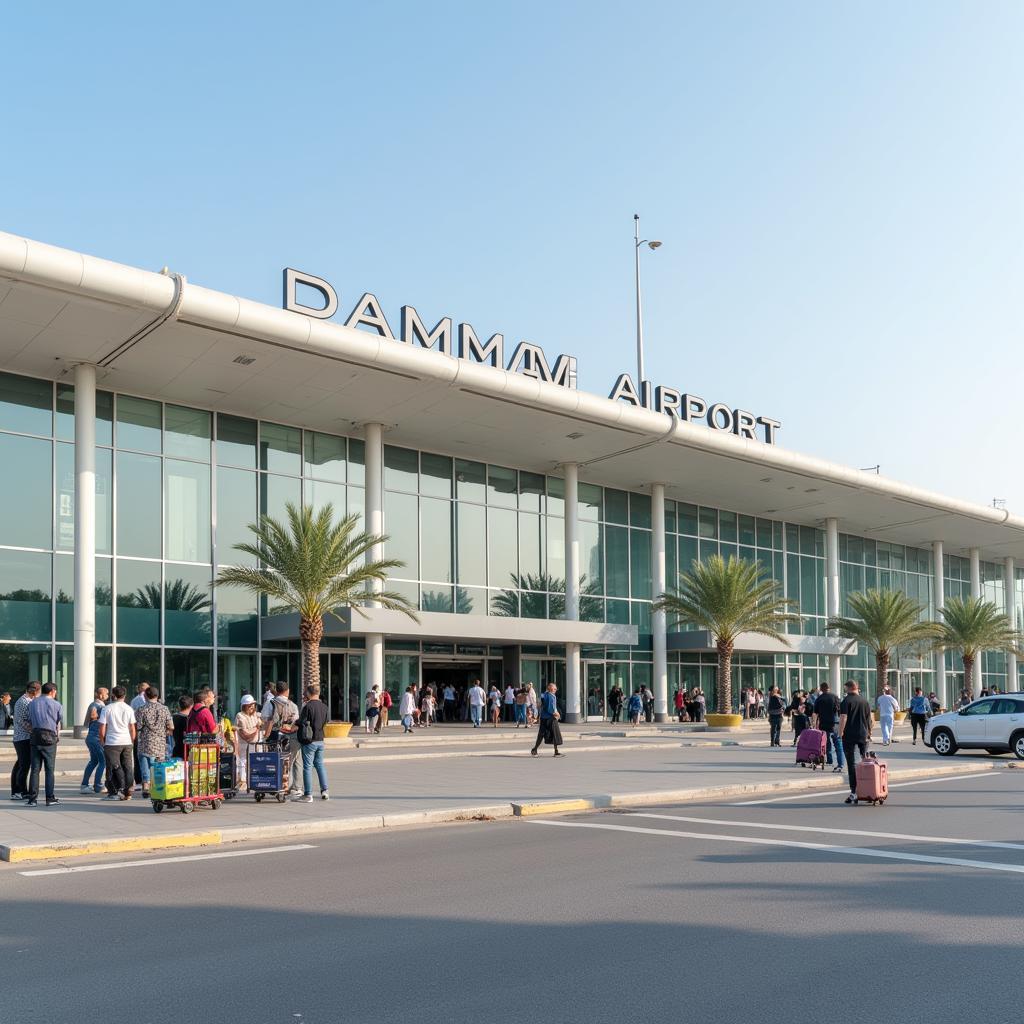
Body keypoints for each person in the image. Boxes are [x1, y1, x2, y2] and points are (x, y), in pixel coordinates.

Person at [26, 681, 63, 807]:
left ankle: (32, 799)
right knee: (49, 769)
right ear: (52, 691)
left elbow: (29, 720)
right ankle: (49, 798)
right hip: (49, 737)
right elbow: (58, 720)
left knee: (35, 769)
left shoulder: (32, 703)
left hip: (35, 736)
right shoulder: (56, 704)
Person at [99, 686, 137, 801]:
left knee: (113, 767)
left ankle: (114, 792)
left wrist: (102, 740)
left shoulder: (107, 708)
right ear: (124, 696)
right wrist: (132, 740)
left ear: (113, 695)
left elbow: (102, 727)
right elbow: (132, 727)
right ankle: (128, 791)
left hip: (112, 742)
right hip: (126, 741)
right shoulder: (129, 708)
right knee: (128, 766)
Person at [838, 679, 873, 804]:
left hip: (849, 736)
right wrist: (869, 732)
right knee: (866, 762)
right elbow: (870, 719)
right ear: (856, 688)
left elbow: (843, 717)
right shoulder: (865, 701)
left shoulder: (846, 701)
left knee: (851, 764)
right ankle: (869, 789)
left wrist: (840, 732)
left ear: (848, 688)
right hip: (863, 735)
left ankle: (854, 792)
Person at [293, 684, 330, 802]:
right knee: (320, 765)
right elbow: (326, 721)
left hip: (309, 740)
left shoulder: (307, 706)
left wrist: (295, 722)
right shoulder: (325, 707)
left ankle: (308, 794)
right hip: (320, 739)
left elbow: (302, 721)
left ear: (309, 693)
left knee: (307, 767)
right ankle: (325, 791)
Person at [134, 687, 172, 798]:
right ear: (157, 696)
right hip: (159, 742)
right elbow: (171, 726)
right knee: (158, 764)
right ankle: (158, 786)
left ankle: (146, 786)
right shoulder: (164, 708)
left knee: (144, 762)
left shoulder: (141, 709)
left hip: (145, 741)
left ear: (145, 696)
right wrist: (165, 732)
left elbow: (139, 726)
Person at [263, 682, 300, 793]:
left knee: (274, 760)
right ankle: (289, 786)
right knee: (290, 761)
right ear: (287, 691)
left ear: (277, 690)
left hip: (274, 736)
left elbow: (265, 718)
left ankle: (275, 784)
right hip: (289, 736)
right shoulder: (292, 705)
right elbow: (296, 720)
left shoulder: (270, 703)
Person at [10, 681, 40, 800]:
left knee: (21, 764)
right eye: (39, 691)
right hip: (23, 738)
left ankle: (17, 790)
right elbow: (22, 721)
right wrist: (34, 730)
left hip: (23, 737)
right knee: (24, 765)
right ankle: (21, 791)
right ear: (34, 691)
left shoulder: (27, 700)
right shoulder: (24, 701)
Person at [79, 686, 109, 794]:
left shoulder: (95, 705)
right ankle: (98, 785)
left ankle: (84, 785)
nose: (108, 696)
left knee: (94, 761)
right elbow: (95, 719)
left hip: (91, 737)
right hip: (96, 738)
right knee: (103, 761)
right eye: (106, 693)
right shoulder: (98, 706)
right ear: (101, 695)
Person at [812, 682, 844, 773]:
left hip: (824, 723)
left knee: (826, 742)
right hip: (835, 723)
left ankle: (830, 760)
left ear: (821, 689)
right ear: (829, 688)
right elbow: (840, 710)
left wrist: (814, 723)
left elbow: (815, 713)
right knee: (838, 743)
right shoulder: (835, 697)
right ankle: (840, 763)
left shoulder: (819, 699)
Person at [234, 694, 262, 786]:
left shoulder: (255, 715)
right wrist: (257, 728)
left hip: (256, 744)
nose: (252, 707)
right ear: (244, 706)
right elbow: (245, 734)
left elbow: (264, 722)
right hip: (244, 744)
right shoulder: (240, 716)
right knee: (243, 761)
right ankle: (243, 782)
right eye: (249, 705)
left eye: (253, 705)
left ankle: (252, 780)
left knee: (255, 761)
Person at [530, 682, 564, 757]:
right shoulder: (551, 696)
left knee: (542, 734)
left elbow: (547, 706)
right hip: (550, 718)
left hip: (544, 717)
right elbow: (550, 708)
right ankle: (555, 752)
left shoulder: (546, 694)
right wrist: (556, 714)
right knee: (554, 734)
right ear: (551, 688)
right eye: (555, 688)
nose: (556, 689)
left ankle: (535, 749)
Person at [171, 694, 192, 759]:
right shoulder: (189, 719)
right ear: (191, 706)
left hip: (176, 749)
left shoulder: (173, 717)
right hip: (187, 749)